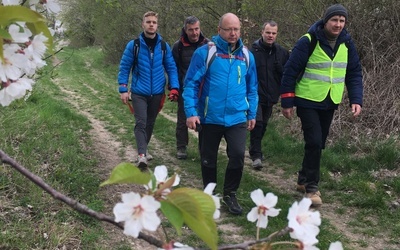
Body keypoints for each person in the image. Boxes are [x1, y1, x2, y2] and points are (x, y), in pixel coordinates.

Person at [280, 4, 363, 206]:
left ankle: (303, 178)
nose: (338, 24)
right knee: (315, 141)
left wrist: (356, 100)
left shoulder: (347, 43)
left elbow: (353, 73)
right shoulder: (308, 41)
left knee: (318, 143)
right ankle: (312, 189)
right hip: (308, 99)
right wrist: (287, 101)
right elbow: (290, 71)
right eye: (334, 20)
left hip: (330, 100)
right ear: (325, 21)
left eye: (342, 21)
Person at [183, 13, 258, 215]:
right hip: (210, 116)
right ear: (219, 30)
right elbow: (191, 84)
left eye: (236, 29)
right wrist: (191, 112)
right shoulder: (205, 53)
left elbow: (252, 88)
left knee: (237, 157)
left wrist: (252, 113)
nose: (233, 33)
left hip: (237, 117)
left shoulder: (246, 56)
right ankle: (209, 194)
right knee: (208, 158)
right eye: (228, 29)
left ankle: (230, 194)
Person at [118, 11, 179, 170]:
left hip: (157, 92)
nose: (151, 24)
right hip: (139, 91)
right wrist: (123, 88)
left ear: (157, 25)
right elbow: (125, 68)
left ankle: (144, 149)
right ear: (143, 24)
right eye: (148, 22)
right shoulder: (134, 45)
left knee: (150, 123)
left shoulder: (164, 46)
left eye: (154, 22)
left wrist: (174, 87)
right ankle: (141, 156)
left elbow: (171, 68)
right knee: (141, 122)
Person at [249, 21, 289, 170]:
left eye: (273, 33)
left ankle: (254, 148)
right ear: (262, 32)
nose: (270, 35)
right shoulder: (252, 52)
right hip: (255, 95)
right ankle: (256, 155)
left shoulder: (282, 53)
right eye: (268, 32)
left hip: (271, 96)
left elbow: (288, 74)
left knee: (263, 125)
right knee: (257, 124)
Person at [172, 16, 209, 160]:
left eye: (196, 29)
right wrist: (174, 87)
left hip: (204, 90)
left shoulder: (208, 45)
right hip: (185, 89)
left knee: (204, 120)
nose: (194, 33)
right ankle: (181, 147)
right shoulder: (178, 46)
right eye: (191, 30)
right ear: (185, 30)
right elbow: (172, 68)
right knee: (183, 119)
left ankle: (203, 149)